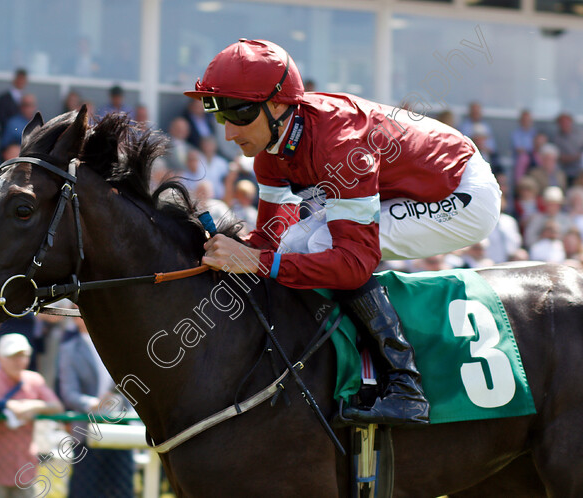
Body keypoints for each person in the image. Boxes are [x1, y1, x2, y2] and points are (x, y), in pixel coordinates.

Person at [187, 39, 502, 425]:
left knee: (319, 244)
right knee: (294, 243)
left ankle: (406, 386)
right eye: (220, 115)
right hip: (411, 179)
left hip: (460, 191)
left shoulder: (338, 144)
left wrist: (254, 259)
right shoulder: (271, 148)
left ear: (279, 104)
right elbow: (270, 241)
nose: (229, 133)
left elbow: (353, 263)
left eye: (239, 113)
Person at [0, 334, 62, 498]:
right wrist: (4, 406)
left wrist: (33, 405)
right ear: (0, 357)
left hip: (25, 466)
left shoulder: (34, 380)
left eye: (23, 356)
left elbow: (56, 406)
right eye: (13, 356)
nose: (19, 361)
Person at [58, 318, 134, 498]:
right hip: (87, 432)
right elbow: (69, 393)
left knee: (122, 491)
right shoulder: (68, 350)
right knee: (85, 492)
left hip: (120, 428)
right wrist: (94, 404)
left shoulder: (117, 346)